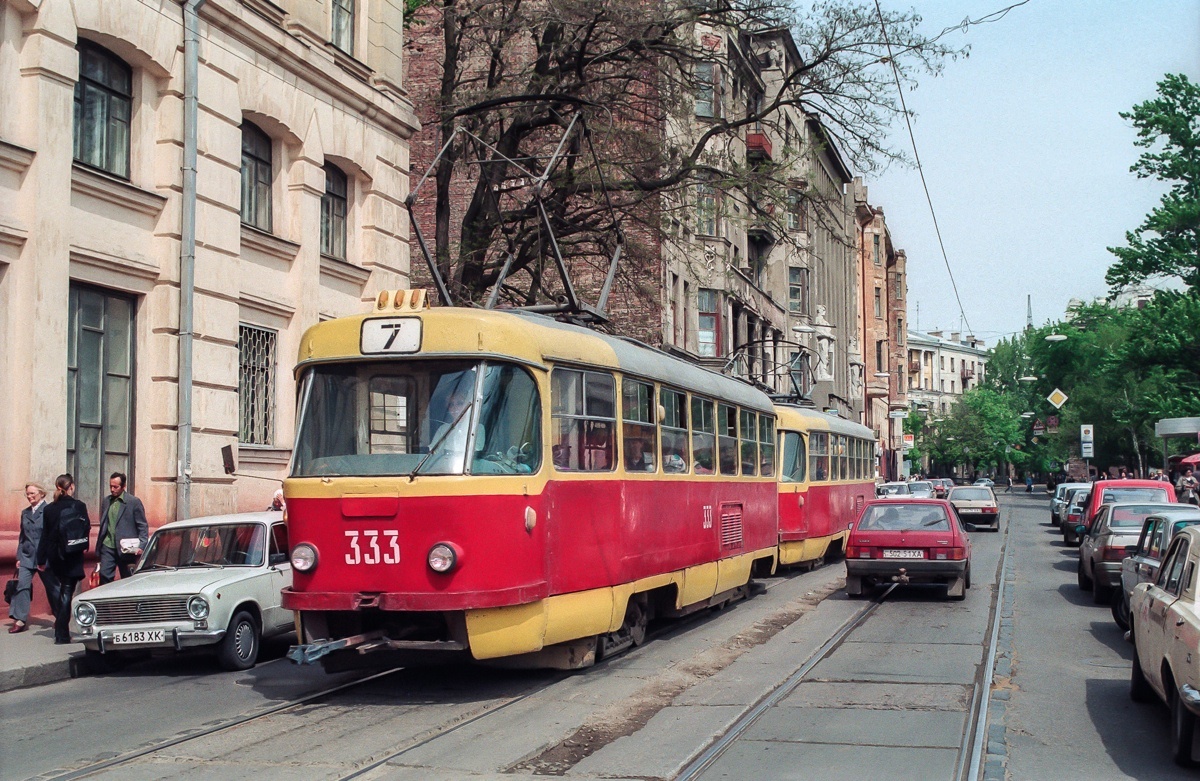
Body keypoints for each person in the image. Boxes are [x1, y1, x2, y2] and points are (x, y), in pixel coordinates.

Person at [36, 474, 90, 644]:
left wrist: (41, 559)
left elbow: (44, 535)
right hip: (72, 553)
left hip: (55, 555)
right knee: (67, 591)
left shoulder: (49, 509)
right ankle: (62, 634)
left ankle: (61, 631)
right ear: (71, 487)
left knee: (62, 591)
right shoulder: (79, 506)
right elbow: (86, 527)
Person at [9, 483, 56, 634]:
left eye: (32, 494)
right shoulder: (25, 513)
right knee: (22, 585)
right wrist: (19, 556)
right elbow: (22, 537)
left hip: (44, 557)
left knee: (53, 588)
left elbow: (52, 537)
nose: (29, 497)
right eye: (27, 494)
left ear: (42, 494)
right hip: (27, 556)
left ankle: (61, 617)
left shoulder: (49, 511)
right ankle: (20, 619)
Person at [94, 472, 149, 585]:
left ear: (123, 486)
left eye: (115, 487)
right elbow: (104, 522)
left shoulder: (133, 502)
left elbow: (142, 525)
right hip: (108, 546)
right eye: (110, 486)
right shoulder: (106, 501)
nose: (112, 489)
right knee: (104, 575)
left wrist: (142, 545)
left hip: (126, 549)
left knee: (128, 579)